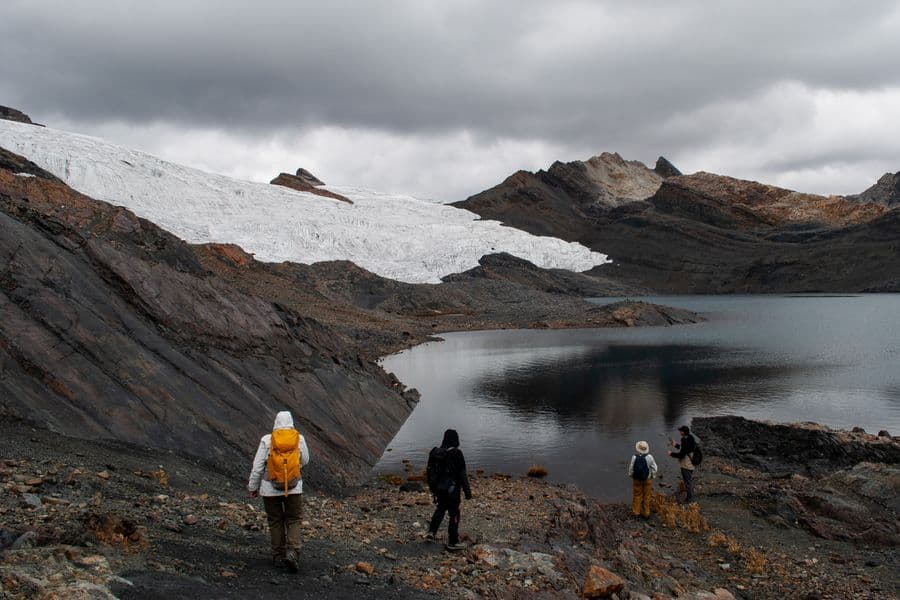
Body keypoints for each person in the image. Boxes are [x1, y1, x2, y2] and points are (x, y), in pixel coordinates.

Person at [248, 411, 310, 571]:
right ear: (291, 422)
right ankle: (293, 552)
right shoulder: (299, 438)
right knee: (294, 519)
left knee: (275, 520)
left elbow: (258, 466)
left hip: (270, 488)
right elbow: (305, 460)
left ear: (275, 422)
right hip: (294, 487)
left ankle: (278, 555)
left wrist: (253, 487)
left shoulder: (267, 440)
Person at [425, 429, 472, 551]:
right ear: (455, 439)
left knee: (440, 508)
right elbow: (462, 474)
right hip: (452, 490)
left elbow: (429, 472)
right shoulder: (457, 453)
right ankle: (453, 542)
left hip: (438, 489)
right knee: (454, 513)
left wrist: (433, 488)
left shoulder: (435, 452)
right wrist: (468, 492)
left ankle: (431, 532)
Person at [627, 440, 658, 518]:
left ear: (638, 449)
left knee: (637, 495)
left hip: (637, 479)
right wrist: (652, 476)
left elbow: (631, 468)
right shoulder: (650, 457)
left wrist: (631, 475)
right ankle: (646, 513)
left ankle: (636, 512)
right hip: (647, 479)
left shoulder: (634, 457)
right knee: (646, 496)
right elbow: (654, 468)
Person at [668, 424, 697, 503]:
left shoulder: (684, 440)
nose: (679, 432)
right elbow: (685, 449)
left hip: (686, 464)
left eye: (680, 431)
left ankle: (689, 499)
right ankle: (690, 496)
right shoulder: (690, 438)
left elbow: (682, 454)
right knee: (689, 480)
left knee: (688, 482)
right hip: (691, 462)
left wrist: (671, 454)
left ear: (683, 432)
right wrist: (676, 445)